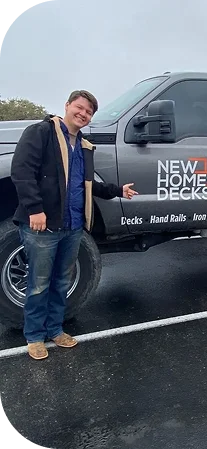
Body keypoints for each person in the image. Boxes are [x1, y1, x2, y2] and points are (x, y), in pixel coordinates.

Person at [10, 90, 138, 360]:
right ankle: (34, 336)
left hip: (73, 226)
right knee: (38, 283)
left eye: (88, 112)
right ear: (67, 106)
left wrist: (117, 190)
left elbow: (88, 185)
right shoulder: (41, 132)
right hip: (43, 226)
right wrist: (35, 209)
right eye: (79, 108)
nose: (83, 114)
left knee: (60, 282)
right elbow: (22, 171)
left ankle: (55, 330)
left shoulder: (84, 146)